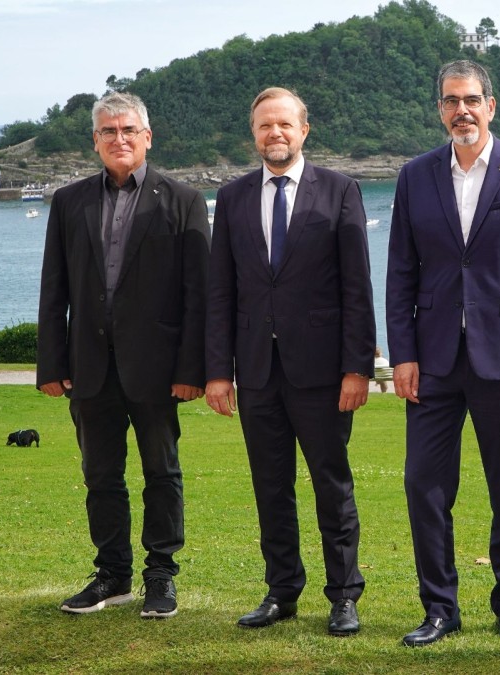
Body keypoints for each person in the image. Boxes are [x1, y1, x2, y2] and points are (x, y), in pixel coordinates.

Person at [385, 59, 500, 647]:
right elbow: (399, 274)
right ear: (439, 108)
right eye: (449, 100)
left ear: (491, 104)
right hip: (433, 359)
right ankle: (439, 608)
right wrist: (402, 354)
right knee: (424, 488)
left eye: (470, 99)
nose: (460, 109)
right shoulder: (414, 176)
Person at [204, 87, 376, 637]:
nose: (274, 134)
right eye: (263, 126)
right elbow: (221, 292)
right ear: (253, 134)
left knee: (332, 484)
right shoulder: (231, 199)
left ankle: (344, 595)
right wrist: (216, 370)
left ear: (304, 129)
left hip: (324, 372)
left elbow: (357, 288)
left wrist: (358, 367)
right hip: (256, 371)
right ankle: (282, 591)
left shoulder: (340, 190)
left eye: (283, 124)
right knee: (270, 486)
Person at [37, 92, 210, 619]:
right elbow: (54, 288)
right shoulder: (69, 202)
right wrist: (52, 363)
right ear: (95, 141)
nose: (120, 139)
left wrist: (192, 370)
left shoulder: (182, 200)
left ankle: (161, 576)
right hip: (89, 368)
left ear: (147, 137)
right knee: (100, 477)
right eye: (109, 132)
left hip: (157, 370)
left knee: (163, 473)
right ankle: (112, 575)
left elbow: (197, 296)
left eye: (129, 130)